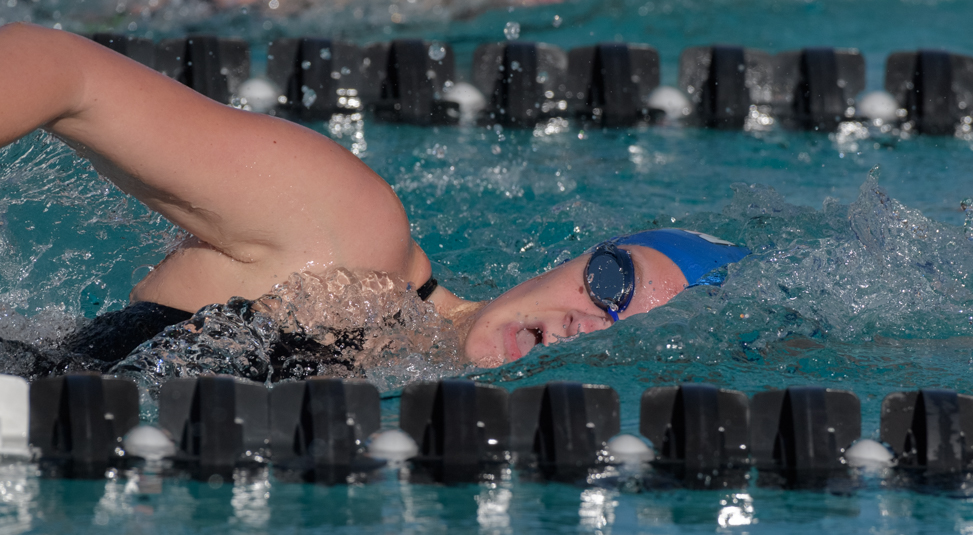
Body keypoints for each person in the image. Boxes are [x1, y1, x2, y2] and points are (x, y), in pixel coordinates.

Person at [0, 23, 750, 375]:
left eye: (627, 329)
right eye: (613, 283)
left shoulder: (407, 400)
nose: (587, 322)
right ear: (575, 260)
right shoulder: (352, 236)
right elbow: (67, 73)